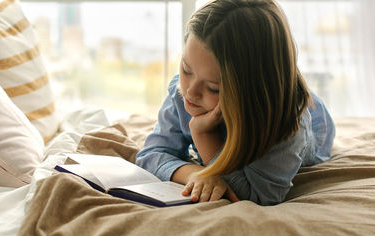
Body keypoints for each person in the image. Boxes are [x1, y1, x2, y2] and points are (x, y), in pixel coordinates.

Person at [135, 0, 335, 205]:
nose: (191, 92)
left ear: (251, 91)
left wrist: (204, 134)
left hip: (315, 124)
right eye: (186, 69)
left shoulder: (285, 122)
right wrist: (198, 174)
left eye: (213, 87)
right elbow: (151, 154)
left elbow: (261, 195)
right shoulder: (183, 91)